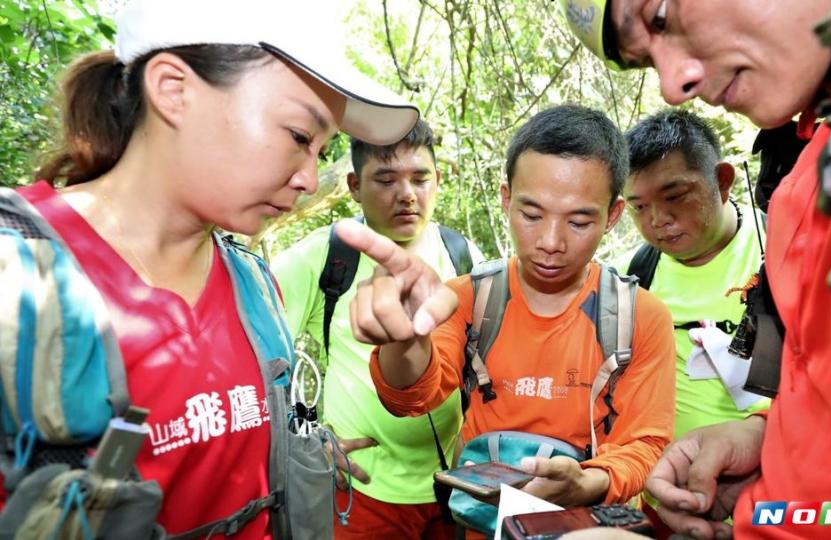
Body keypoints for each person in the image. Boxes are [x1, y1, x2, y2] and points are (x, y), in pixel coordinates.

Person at [0, 0, 419, 537]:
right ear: (174, 90)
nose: (311, 180)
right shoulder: (22, 278)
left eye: (322, 150)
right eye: (298, 137)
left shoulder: (254, 289)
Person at [561, 0, 831, 538]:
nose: (674, 83)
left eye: (660, 16)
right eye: (649, 63)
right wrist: (766, 441)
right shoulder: (818, 157)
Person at [337, 104, 677, 520]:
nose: (551, 242)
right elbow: (412, 397)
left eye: (579, 222)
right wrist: (407, 338)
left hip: (589, 525)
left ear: (613, 216)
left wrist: (587, 482)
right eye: (531, 215)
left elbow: (644, 443)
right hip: (483, 521)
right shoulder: (469, 299)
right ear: (506, 199)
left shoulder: (640, 316)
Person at [272, 118, 484, 539]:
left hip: (453, 485)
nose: (406, 195)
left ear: (437, 180)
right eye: (385, 180)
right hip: (363, 490)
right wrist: (306, 434)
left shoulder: (461, 254)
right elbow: (254, 348)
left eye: (420, 178)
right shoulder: (326, 255)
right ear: (353, 185)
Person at [618, 109, 769, 440]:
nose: (658, 219)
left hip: (778, 481)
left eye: (674, 197)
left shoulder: (778, 250)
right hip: (660, 486)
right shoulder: (627, 279)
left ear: (722, 181)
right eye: (639, 207)